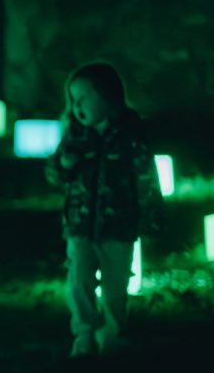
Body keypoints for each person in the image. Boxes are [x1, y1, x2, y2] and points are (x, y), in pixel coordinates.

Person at [45, 62, 163, 357]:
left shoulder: (130, 134)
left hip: (118, 227)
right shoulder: (74, 136)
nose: (77, 106)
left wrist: (151, 217)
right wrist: (63, 166)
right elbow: (54, 173)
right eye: (73, 99)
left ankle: (112, 334)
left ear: (108, 98)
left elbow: (146, 178)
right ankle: (84, 333)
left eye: (84, 98)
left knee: (116, 283)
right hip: (80, 225)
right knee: (79, 281)